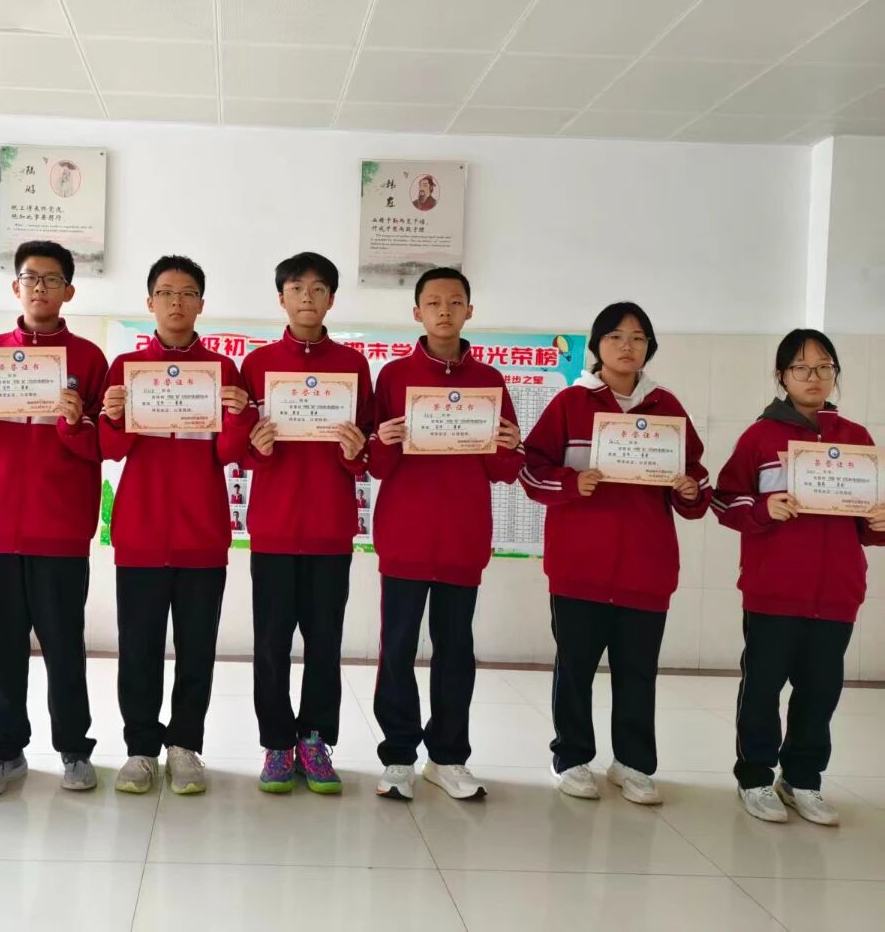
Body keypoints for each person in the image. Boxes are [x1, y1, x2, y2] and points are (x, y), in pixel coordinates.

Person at [520, 302, 710, 806]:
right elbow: (532, 469)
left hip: (646, 567)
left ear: (649, 347)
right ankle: (571, 758)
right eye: (616, 336)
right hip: (579, 565)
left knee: (638, 672)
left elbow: (696, 476)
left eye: (639, 337)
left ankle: (633, 763)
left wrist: (689, 488)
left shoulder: (667, 406)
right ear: (597, 345)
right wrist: (571, 482)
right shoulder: (570, 403)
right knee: (575, 669)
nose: (628, 346)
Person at [0, 240, 108, 797]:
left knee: (64, 645)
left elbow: (104, 442)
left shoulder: (89, 359)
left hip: (61, 526)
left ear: (69, 290)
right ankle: (5, 752)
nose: (40, 288)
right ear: (15, 287)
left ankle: (74, 750)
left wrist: (75, 423)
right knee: (3, 646)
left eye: (51, 279)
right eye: (30, 278)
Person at [712, 329, 885, 826]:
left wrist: (878, 522)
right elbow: (724, 500)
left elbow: (865, 523)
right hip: (774, 590)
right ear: (782, 376)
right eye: (802, 368)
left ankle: (802, 779)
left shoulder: (857, 438)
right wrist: (763, 508)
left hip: (837, 592)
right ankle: (755, 777)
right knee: (762, 688)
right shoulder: (760, 437)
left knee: (820, 692)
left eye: (824, 367)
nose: (814, 377)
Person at [101, 255, 257, 795]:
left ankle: (186, 745)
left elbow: (230, 453)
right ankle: (141, 749)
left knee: (197, 650)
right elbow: (109, 449)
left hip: (202, 533)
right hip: (141, 533)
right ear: (150, 303)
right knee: (138, 650)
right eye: (166, 292)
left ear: (201, 304)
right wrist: (113, 415)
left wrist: (238, 415)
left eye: (187, 292)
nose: (176, 301)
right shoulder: (126, 369)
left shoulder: (223, 370)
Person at [368, 267, 523, 802]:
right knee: (397, 649)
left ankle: (448, 757)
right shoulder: (393, 377)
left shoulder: (490, 381)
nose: (443, 311)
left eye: (454, 302)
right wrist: (385, 440)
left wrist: (509, 444)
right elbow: (375, 464)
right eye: (433, 302)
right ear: (416, 312)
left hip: (462, 537)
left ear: (469, 311)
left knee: (456, 650)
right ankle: (398, 757)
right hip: (405, 538)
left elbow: (505, 470)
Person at [241, 251, 373, 795]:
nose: (308, 298)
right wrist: (257, 448)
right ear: (282, 297)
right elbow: (240, 450)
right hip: (273, 528)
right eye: (297, 288)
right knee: (271, 643)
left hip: (329, 529)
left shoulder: (354, 366)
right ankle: (277, 743)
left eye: (319, 289)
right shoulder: (256, 364)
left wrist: (355, 453)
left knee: (324, 643)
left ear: (332, 299)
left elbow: (367, 453)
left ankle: (315, 740)